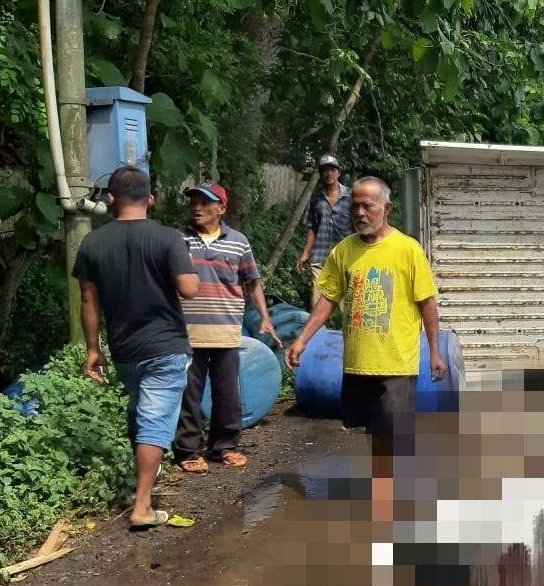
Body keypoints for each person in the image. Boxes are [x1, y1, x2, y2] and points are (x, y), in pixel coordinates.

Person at [285, 176, 447, 524]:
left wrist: (434, 351)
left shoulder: (407, 250)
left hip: (396, 363)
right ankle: (387, 487)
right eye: (355, 205)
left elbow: (427, 304)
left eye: (367, 205)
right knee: (375, 431)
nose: (359, 212)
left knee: (394, 433)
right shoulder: (344, 251)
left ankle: (395, 500)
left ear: (386, 208)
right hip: (359, 363)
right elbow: (327, 299)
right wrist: (302, 339)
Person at [75, 166, 199, 529]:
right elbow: (188, 289)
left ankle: (143, 478)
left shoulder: (92, 243)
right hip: (165, 345)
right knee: (154, 420)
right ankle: (142, 506)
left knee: (143, 413)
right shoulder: (168, 238)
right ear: (151, 199)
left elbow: (88, 300)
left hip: (124, 348)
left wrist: (92, 349)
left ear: (110, 199)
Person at [172, 182, 279, 474]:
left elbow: (252, 282)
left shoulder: (238, 241)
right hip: (187, 331)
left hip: (226, 329)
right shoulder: (178, 239)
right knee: (189, 394)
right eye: (193, 202)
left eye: (205, 203)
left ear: (221, 208)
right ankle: (188, 451)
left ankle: (224, 447)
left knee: (227, 392)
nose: (197, 208)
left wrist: (266, 318)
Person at [294, 154, 352, 308]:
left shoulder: (351, 197)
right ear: (321, 174)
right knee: (317, 300)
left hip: (345, 257)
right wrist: (305, 253)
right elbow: (312, 226)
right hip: (320, 256)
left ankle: (345, 331)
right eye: (325, 171)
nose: (329, 174)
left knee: (347, 303)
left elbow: (359, 225)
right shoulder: (315, 198)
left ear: (338, 173)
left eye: (332, 170)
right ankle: (319, 331)